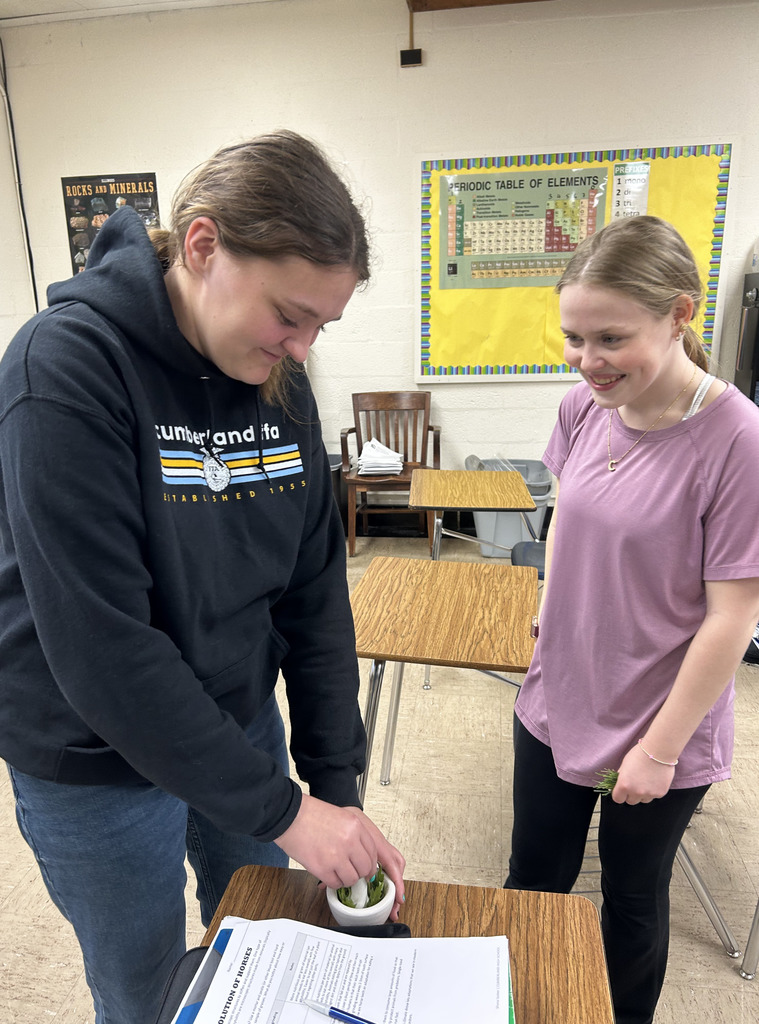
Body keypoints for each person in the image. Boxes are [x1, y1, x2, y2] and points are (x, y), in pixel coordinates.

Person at [0, 130, 405, 1024]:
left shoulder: (278, 381)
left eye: (319, 327)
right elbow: (104, 651)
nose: (301, 349)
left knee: (263, 946)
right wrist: (286, 811)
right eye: (288, 316)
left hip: (233, 716)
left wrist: (330, 788)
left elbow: (313, 600)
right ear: (203, 245)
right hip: (92, 755)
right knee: (145, 988)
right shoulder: (62, 368)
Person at [504, 215, 759, 1024]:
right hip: (556, 703)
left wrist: (656, 751)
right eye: (573, 338)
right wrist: (548, 618)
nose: (587, 362)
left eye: (609, 338)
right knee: (532, 885)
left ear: (680, 313)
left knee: (631, 903)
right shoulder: (583, 408)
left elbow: (731, 618)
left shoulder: (737, 440)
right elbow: (562, 525)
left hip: (660, 726)